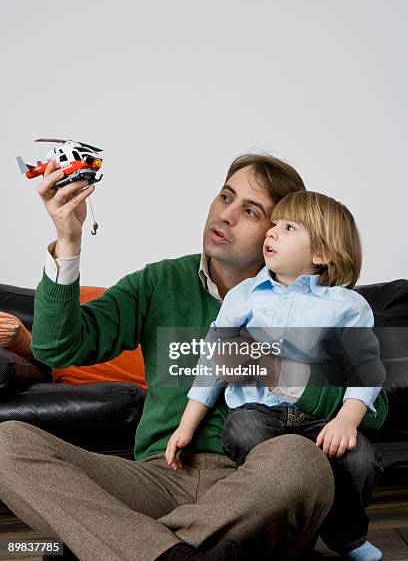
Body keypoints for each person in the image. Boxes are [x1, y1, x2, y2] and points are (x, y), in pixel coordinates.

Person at [0, 153, 336, 561]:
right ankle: (172, 554)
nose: (225, 215)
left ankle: (122, 545)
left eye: (249, 211)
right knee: (6, 442)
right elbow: (57, 347)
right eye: (225, 197)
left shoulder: (316, 301)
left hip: (253, 485)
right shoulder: (159, 282)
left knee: (301, 461)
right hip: (158, 479)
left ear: (276, 233)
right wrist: (68, 239)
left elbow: (375, 407)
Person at [166, 191, 387, 561]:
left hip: (322, 420)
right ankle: (282, 510)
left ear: (321, 254)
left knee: (359, 459)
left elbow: (365, 369)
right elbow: (213, 361)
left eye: (288, 228)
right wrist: (186, 427)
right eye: (272, 226)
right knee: (240, 429)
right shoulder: (244, 296)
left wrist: (347, 420)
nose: (271, 234)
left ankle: (346, 537)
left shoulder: (347, 305)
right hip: (260, 415)